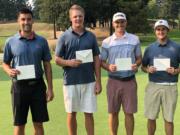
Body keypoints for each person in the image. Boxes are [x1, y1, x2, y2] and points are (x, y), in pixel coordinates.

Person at [2, 8, 54, 135]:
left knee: (39, 124)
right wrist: (8, 71)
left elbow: (47, 65)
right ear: (18, 21)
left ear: (33, 21)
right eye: (23, 19)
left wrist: (50, 88)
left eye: (29, 19)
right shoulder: (10, 41)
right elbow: (5, 63)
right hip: (19, 88)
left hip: (38, 87)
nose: (26, 22)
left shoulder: (41, 41)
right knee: (19, 125)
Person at [55, 4, 102, 135]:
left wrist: (98, 81)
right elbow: (57, 59)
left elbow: (96, 59)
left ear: (84, 17)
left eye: (80, 16)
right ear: (71, 18)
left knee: (89, 113)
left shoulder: (91, 36)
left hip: (89, 81)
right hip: (70, 81)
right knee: (71, 113)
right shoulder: (64, 36)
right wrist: (68, 62)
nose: (78, 19)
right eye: (75, 16)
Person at [100, 12, 142, 135]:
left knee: (129, 112)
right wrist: (108, 66)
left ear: (126, 22)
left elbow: (139, 58)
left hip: (129, 81)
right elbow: (102, 61)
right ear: (113, 24)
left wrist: (136, 65)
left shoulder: (134, 39)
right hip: (113, 81)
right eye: (117, 22)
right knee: (113, 112)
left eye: (122, 21)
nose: (120, 24)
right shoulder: (107, 42)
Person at [141, 19, 180, 135]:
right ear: (155, 31)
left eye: (163, 29)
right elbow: (143, 66)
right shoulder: (150, 48)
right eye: (158, 29)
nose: (161, 31)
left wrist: (176, 70)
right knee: (151, 117)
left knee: (169, 119)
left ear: (168, 30)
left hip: (170, 87)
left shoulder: (176, 47)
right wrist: (148, 69)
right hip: (153, 86)